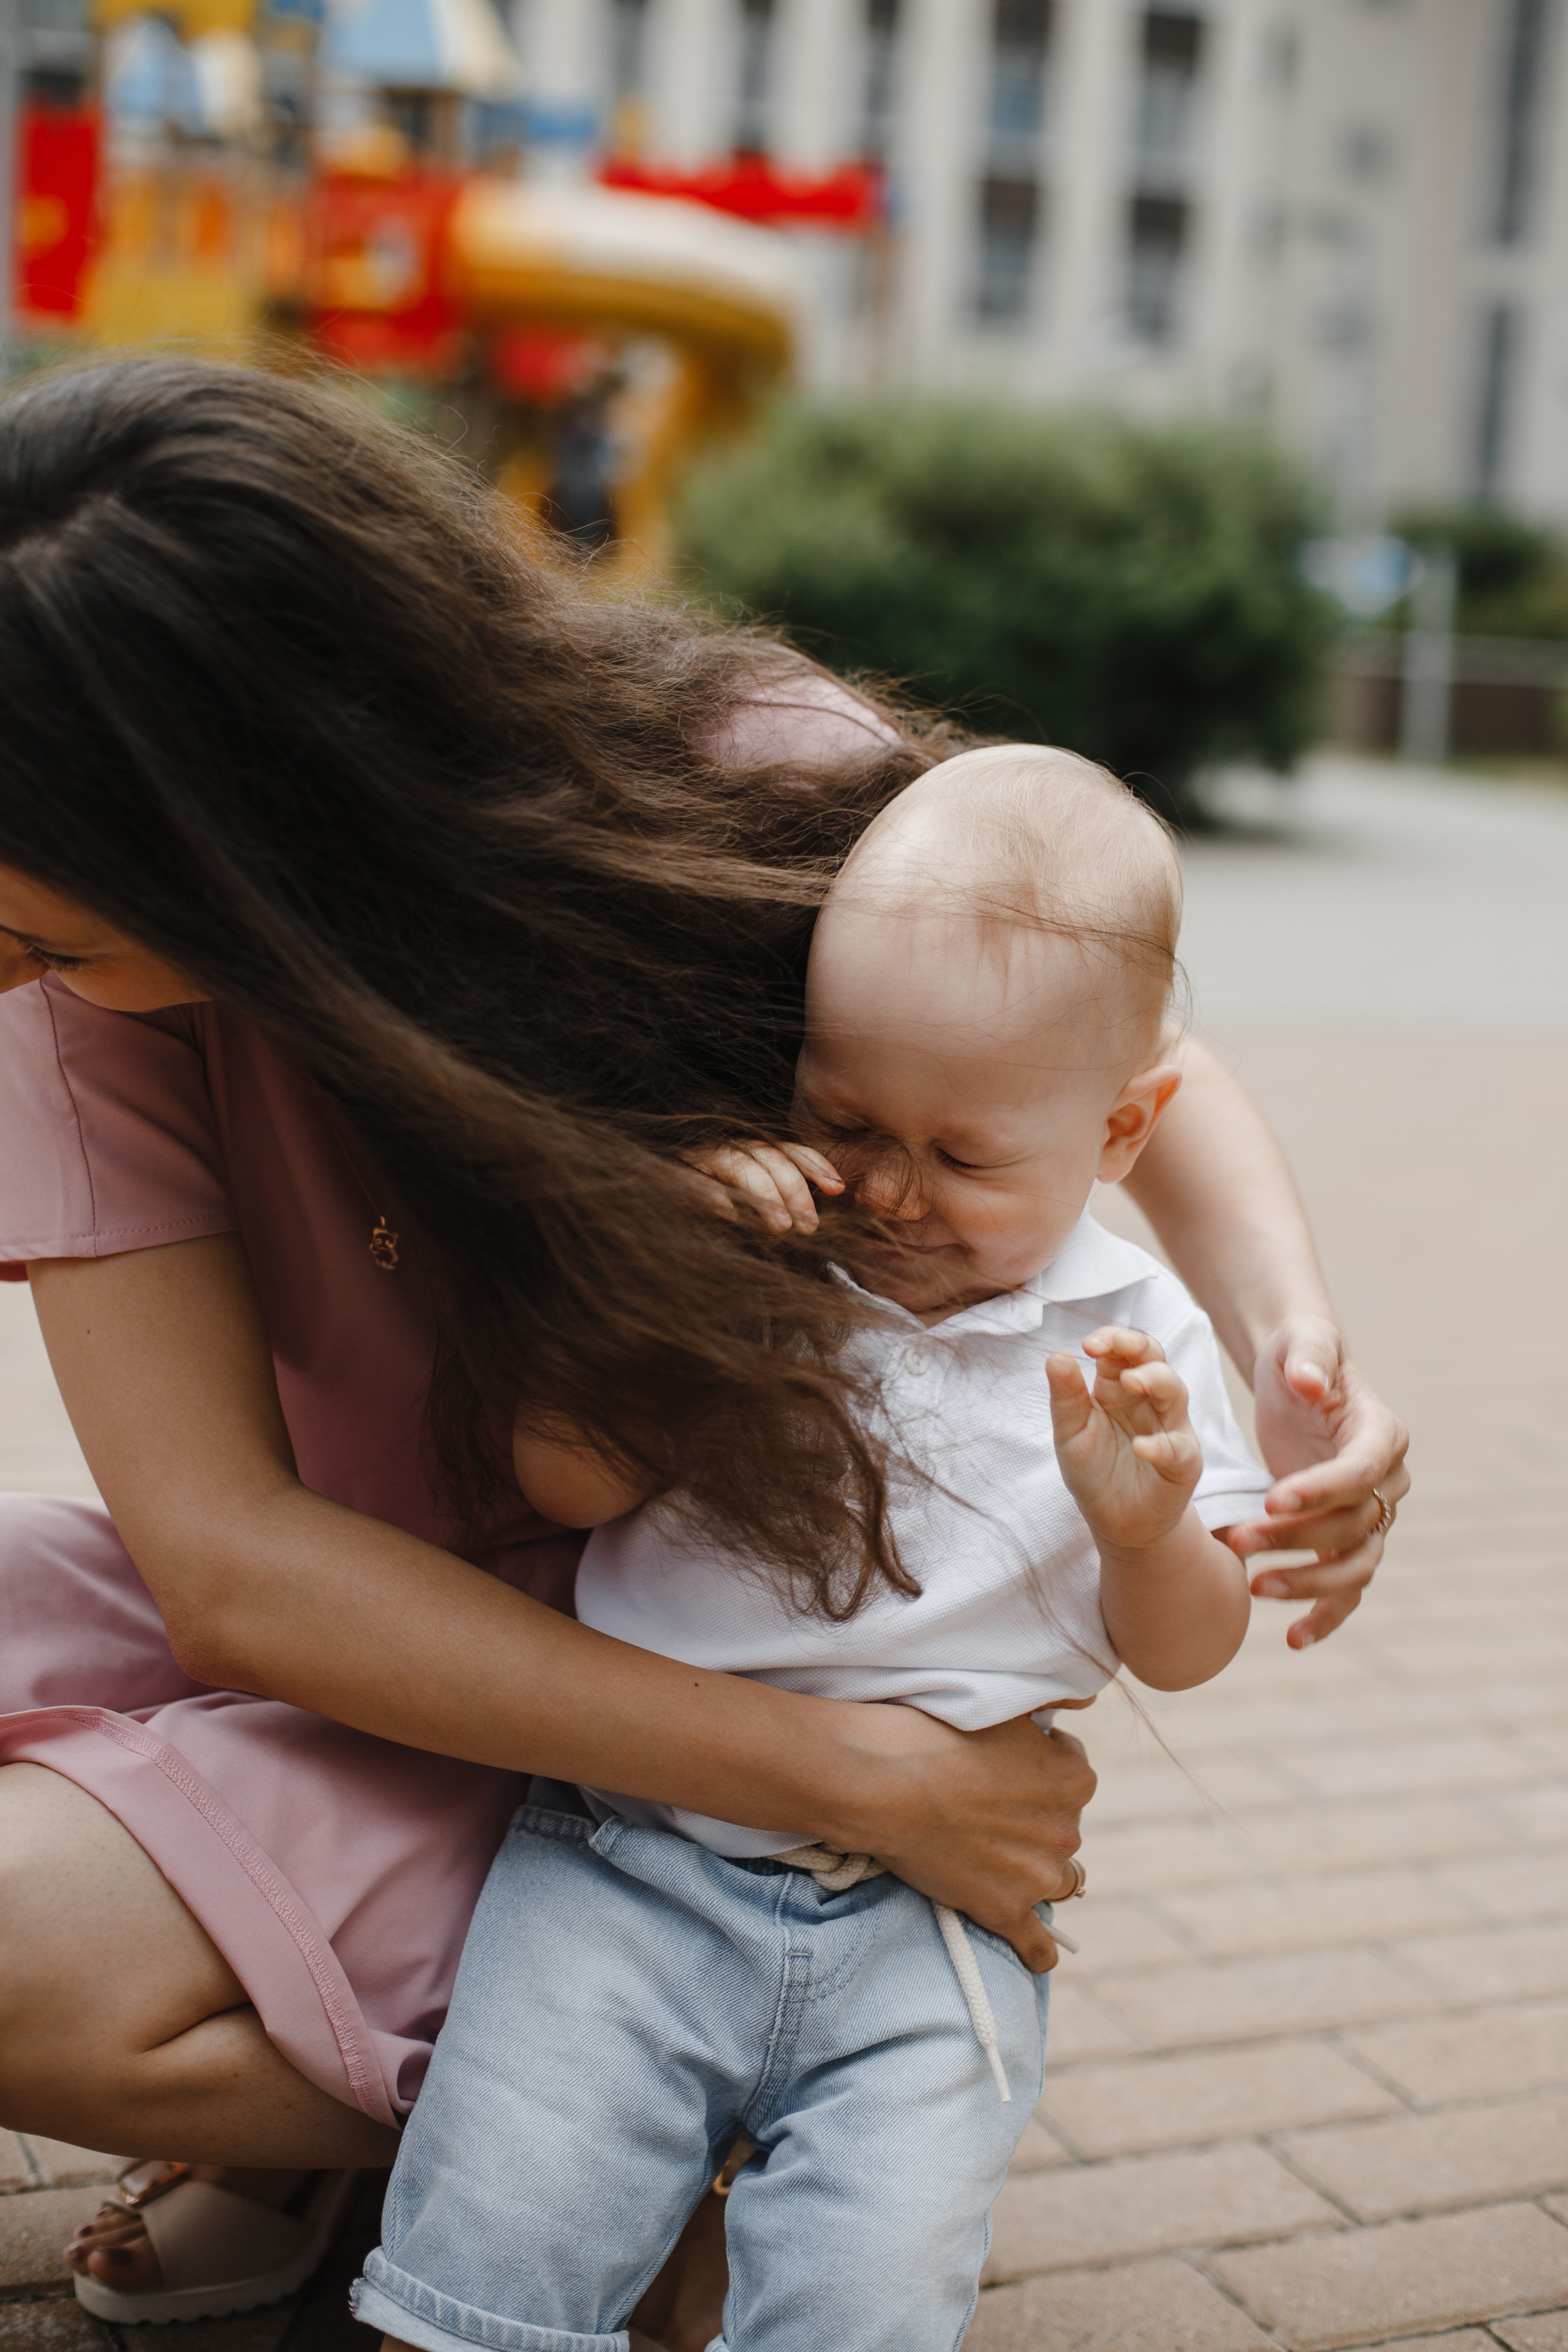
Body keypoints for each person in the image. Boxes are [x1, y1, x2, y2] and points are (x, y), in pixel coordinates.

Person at [0, 358, 1407, 2339]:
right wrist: (868, 1785)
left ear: (250, 821)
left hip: (653, 1656)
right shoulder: (92, 1017)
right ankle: (591, 2133)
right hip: (368, 1629)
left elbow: (1107, 1043)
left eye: (51, 931)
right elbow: (233, 1567)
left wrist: (1291, 1354)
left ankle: (608, 2116)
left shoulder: (729, 776)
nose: (8, 975)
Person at [356, 745, 1282, 2352]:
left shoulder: (1141, 1338)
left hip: (932, 1929)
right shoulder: (764, 1247)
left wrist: (1145, 1530)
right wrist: (676, 1298)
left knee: (870, 2292)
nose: (888, 1189)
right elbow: (561, 1481)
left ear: (1122, 1131)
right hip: (627, 1870)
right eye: (843, 1112)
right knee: (489, 2255)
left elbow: (1194, 1647)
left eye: (966, 1157)